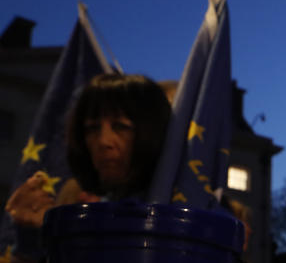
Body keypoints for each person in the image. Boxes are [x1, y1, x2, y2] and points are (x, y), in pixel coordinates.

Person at [5, 73, 171, 231]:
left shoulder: (177, 205)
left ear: (153, 133)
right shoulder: (88, 215)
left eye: (121, 127)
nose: (103, 141)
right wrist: (37, 232)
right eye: (92, 128)